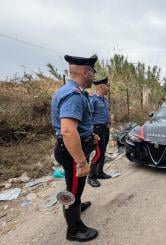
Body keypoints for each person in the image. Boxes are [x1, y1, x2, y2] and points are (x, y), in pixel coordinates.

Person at [51, 54, 100, 242]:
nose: (93, 77)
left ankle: (77, 206)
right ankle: (74, 229)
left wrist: (90, 135)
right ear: (85, 71)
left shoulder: (73, 91)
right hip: (72, 153)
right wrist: (81, 162)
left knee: (75, 185)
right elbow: (68, 131)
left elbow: (78, 126)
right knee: (72, 189)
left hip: (73, 149)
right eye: (92, 73)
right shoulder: (73, 95)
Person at [87, 77, 112, 187]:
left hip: (106, 129)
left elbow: (107, 111)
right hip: (97, 130)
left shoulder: (105, 99)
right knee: (98, 153)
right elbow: (88, 116)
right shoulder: (93, 99)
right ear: (101, 86)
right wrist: (92, 132)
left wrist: (110, 117)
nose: (108, 88)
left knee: (103, 152)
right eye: (107, 86)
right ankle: (91, 176)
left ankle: (100, 172)